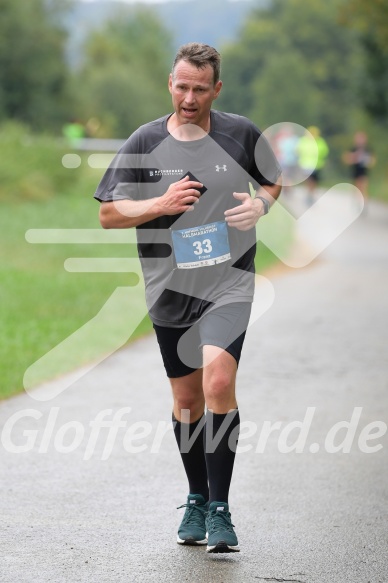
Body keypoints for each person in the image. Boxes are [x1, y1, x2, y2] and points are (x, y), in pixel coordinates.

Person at [94, 43, 281, 553]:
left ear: (216, 89)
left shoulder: (240, 132)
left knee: (219, 380)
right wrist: (159, 203)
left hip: (229, 280)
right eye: (182, 85)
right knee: (187, 399)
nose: (190, 96)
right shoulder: (144, 140)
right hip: (170, 286)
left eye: (200, 88)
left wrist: (260, 208)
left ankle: (220, 510)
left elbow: (272, 180)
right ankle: (196, 496)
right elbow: (108, 214)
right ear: (169, 83)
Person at [297, 126, 329, 204]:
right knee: (308, 180)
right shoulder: (303, 141)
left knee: (313, 181)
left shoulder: (320, 141)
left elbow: (324, 151)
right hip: (305, 165)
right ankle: (309, 194)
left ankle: (311, 194)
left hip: (316, 165)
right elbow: (298, 150)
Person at [342, 131, 376, 206]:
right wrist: (354, 157)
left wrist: (367, 161)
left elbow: (372, 161)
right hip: (355, 171)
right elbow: (346, 159)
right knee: (356, 188)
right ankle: (357, 202)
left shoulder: (368, 149)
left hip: (364, 172)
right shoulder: (353, 149)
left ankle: (364, 203)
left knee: (364, 187)